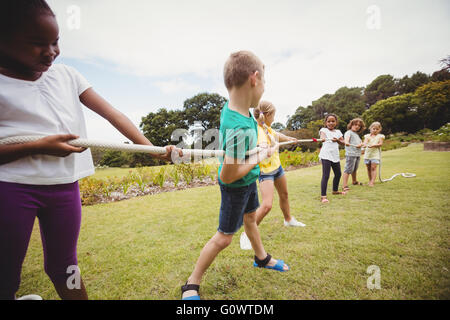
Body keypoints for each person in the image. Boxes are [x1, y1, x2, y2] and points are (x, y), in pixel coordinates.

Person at [0, 0, 178, 300]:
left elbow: (112, 114)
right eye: (37, 44)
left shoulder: (68, 75)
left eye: (55, 42)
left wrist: (152, 150)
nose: (51, 52)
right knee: (5, 274)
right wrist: (39, 146)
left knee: (65, 266)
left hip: (64, 188)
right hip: (11, 189)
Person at [181, 51, 290, 300]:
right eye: (264, 82)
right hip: (236, 186)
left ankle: (261, 258)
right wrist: (260, 156)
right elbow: (228, 175)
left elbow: (254, 125)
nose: (263, 89)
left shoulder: (242, 111)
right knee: (224, 238)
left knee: (251, 221)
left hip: (249, 181)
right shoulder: (237, 125)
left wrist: (262, 141)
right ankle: (191, 283)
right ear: (254, 79)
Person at [240, 101, 305, 250]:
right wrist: (266, 149)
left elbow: (277, 134)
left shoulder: (266, 127)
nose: (274, 118)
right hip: (265, 172)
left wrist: (289, 139)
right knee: (267, 205)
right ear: (267, 115)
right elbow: (262, 149)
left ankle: (288, 219)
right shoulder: (257, 130)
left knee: (284, 195)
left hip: (277, 168)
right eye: (273, 115)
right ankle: (246, 234)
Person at [318, 114, 346, 203]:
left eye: (333, 121)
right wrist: (323, 139)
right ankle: (323, 196)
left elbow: (343, 142)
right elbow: (322, 137)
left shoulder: (338, 132)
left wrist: (337, 140)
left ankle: (335, 190)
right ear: (326, 123)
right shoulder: (323, 130)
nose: (331, 123)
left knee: (338, 174)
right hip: (326, 155)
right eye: (329, 121)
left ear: (336, 122)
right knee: (326, 175)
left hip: (335, 155)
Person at [342, 118, 365, 192]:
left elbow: (362, 143)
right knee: (348, 169)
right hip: (351, 154)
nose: (357, 126)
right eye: (355, 125)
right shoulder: (349, 132)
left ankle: (354, 181)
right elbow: (346, 139)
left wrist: (360, 145)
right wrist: (347, 142)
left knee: (354, 169)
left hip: (357, 154)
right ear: (351, 125)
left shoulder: (356, 135)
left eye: (359, 125)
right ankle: (344, 185)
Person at [362, 122, 385, 187]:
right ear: (370, 129)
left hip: (375, 155)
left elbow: (380, 144)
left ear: (379, 129)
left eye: (377, 129)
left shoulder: (380, 136)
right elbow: (365, 142)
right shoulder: (367, 136)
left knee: (373, 168)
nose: (375, 130)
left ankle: (372, 182)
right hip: (367, 155)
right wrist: (364, 145)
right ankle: (370, 181)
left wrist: (374, 145)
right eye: (373, 129)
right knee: (368, 168)